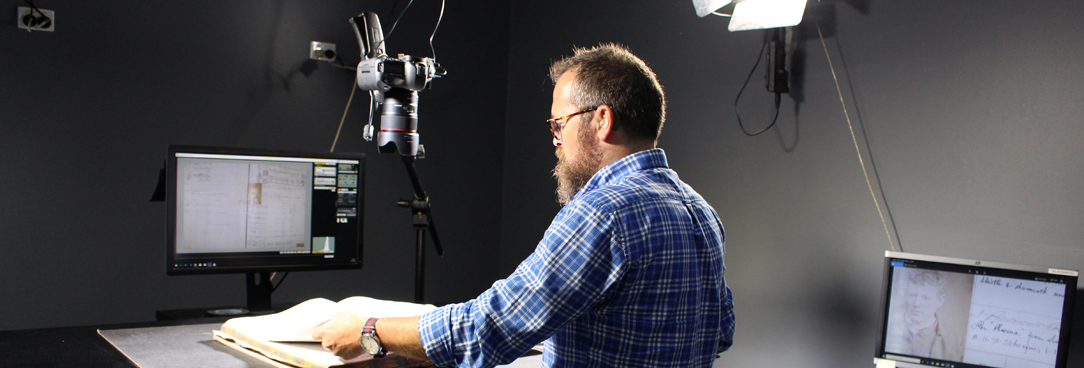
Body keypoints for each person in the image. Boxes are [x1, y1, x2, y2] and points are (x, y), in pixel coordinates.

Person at [313, 43, 735, 368]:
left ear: (602, 120)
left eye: (558, 124)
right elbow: (720, 333)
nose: (555, 141)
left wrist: (370, 331)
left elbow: (490, 327)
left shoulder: (603, 212)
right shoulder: (699, 211)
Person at [885, 269, 964, 361]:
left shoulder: (955, 342)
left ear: (940, 300)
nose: (916, 304)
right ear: (905, 296)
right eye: (912, 295)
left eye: (925, 298)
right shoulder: (888, 330)